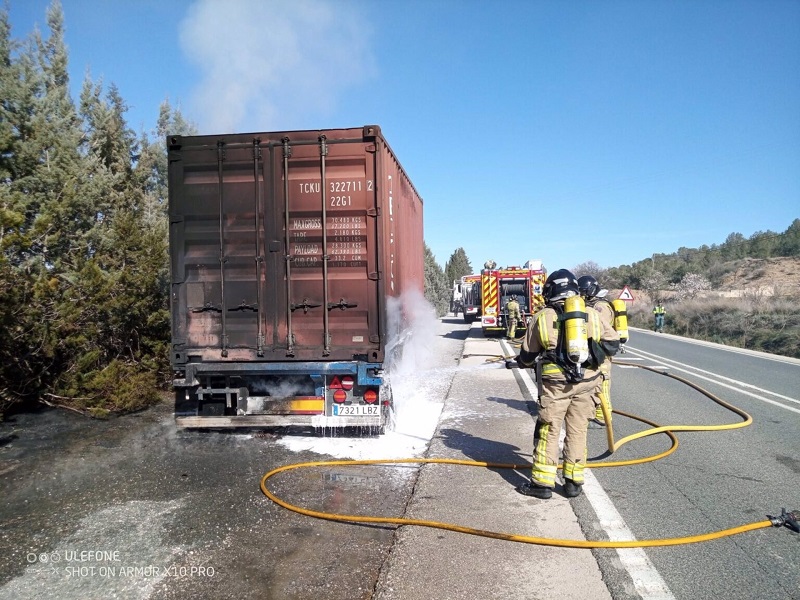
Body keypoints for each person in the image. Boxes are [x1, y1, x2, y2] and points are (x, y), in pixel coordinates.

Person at [513, 269, 620, 499]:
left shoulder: (543, 317)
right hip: (588, 383)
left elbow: (527, 356)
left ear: (550, 291)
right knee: (578, 430)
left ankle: (542, 484)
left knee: (548, 429)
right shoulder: (591, 313)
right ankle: (573, 482)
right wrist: (592, 355)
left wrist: (521, 362)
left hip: (556, 388)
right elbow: (612, 344)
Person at [578, 275, 617, 427]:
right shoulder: (594, 305)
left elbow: (603, 330)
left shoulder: (600, 307)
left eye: (583, 292)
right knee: (595, 384)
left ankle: (603, 418)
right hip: (595, 351)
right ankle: (596, 412)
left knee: (603, 384)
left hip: (602, 351)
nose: (581, 295)